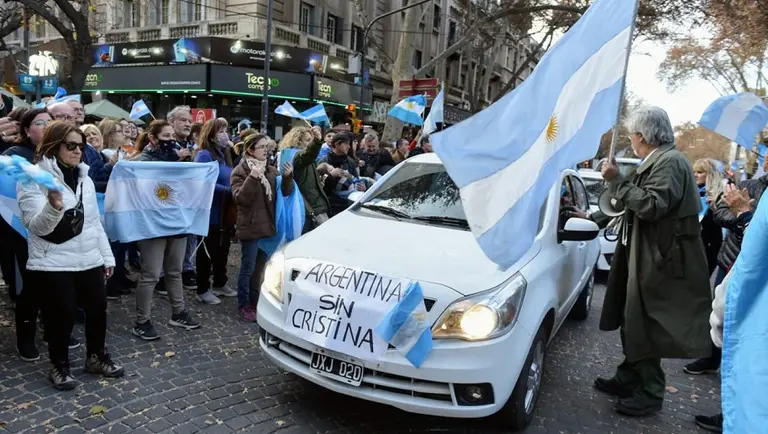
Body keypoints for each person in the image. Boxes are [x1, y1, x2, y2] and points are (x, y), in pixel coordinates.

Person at [593, 106, 712, 416]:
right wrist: (595, 214)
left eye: (633, 134)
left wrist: (617, 179)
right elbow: (633, 203)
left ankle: (649, 391)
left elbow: (652, 205)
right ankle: (628, 377)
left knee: (644, 324)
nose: (632, 140)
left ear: (642, 136)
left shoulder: (670, 162)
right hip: (649, 252)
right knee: (632, 319)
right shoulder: (662, 159)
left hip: (660, 257)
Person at [17, 121, 123, 390]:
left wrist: (106, 257)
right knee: (60, 316)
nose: (78, 151)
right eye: (71, 145)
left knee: (98, 310)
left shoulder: (84, 177)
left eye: (81, 146)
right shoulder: (33, 177)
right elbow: (36, 226)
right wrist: (54, 207)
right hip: (53, 260)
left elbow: (93, 222)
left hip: (89, 257)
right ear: (54, 145)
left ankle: (96, 357)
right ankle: (59, 365)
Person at [132, 120, 199, 341]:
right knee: (151, 274)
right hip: (153, 224)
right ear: (152, 138)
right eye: (166, 136)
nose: (171, 140)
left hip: (177, 220)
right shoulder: (144, 160)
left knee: (174, 271)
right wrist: (175, 162)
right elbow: (148, 188)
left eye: (173, 136)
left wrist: (186, 164)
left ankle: (178, 313)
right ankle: (142, 321)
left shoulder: (180, 157)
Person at [230, 133, 295, 321]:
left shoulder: (271, 170)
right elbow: (240, 199)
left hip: (267, 226)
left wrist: (288, 177)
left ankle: (254, 300)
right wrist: (252, 177)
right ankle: (243, 304)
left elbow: (285, 192)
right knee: (247, 267)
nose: (266, 151)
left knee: (260, 268)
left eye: (267, 147)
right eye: (262, 147)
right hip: (250, 227)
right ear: (250, 150)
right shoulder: (240, 171)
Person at [193, 118, 237, 305]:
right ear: (211, 135)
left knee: (222, 248)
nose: (225, 134)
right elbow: (202, 181)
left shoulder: (225, 154)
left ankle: (220, 282)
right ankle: (202, 288)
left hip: (225, 210)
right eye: (220, 130)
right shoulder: (204, 155)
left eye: (226, 130)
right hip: (210, 211)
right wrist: (227, 190)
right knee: (207, 250)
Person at [280, 126, 329, 233]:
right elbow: (308, 154)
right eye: (308, 140)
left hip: (310, 208)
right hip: (308, 211)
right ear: (297, 141)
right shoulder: (297, 156)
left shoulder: (294, 155)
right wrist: (316, 141)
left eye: (311, 140)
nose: (310, 142)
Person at [319, 132, 367, 216]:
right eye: (346, 144)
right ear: (337, 144)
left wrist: (362, 187)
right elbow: (318, 185)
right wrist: (331, 176)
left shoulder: (350, 161)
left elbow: (356, 180)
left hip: (348, 206)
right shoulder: (324, 161)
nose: (349, 147)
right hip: (330, 206)